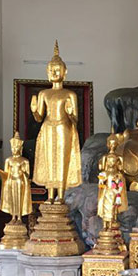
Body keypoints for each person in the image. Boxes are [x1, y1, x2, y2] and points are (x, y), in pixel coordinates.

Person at [31, 41, 81, 202]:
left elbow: (75, 119)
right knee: (49, 159)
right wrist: (33, 110)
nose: (54, 72)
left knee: (61, 159)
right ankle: (50, 195)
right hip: (47, 127)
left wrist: (70, 113)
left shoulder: (69, 94)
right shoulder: (44, 93)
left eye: (57, 69)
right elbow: (39, 117)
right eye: (51, 69)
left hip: (63, 127)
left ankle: (61, 194)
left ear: (65, 72)